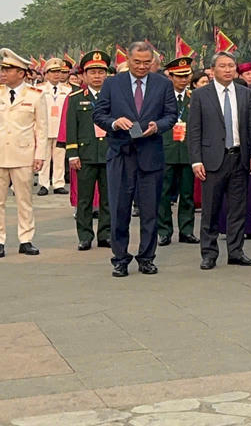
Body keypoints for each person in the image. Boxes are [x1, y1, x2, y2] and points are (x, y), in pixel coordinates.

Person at [92, 42, 178, 276]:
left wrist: (157, 126)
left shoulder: (163, 84)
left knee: (150, 211)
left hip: (151, 154)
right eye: (137, 62)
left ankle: (147, 257)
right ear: (127, 60)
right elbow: (99, 114)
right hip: (121, 154)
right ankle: (120, 258)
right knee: (119, 210)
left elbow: (172, 114)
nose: (141, 67)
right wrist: (114, 122)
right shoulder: (112, 84)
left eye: (146, 63)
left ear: (153, 62)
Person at [188, 52, 251, 269]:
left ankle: (236, 251)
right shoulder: (201, 95)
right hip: (212, 160)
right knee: (210, 209)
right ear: (212, 71)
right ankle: (209, 253)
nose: (228, 69)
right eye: (223, 66)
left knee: (238, 208)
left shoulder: (245, 94)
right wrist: (196, 160)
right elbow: (194, 131)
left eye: (231, 65)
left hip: (239, 158)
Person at [0, 49, 48, 258]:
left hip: (23, 155)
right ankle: (0, 240)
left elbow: (42, 128)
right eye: (2, 69)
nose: (3, 73)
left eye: (7, 69)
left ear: (20, 73)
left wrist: (40, 155)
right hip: (1, 153)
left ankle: (26, 239)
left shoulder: (35, 95)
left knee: (24, 200)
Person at [63, 51, 112, 250]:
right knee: (84, 199)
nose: (97, 76)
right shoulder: (75, 98)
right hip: (85, 155)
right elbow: (71, 128)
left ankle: (105, 235)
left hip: (109, 153)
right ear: (84, 75)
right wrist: (72, 154)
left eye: (101, 72)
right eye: (92, 72)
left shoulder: (114, 97)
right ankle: (84, 236)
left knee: (108, 199)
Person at [158, 56, 197, 246]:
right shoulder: (160, 98)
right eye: (179, 76)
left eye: (186, 76)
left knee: (187, 194)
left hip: (189, 151)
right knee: (164, 193)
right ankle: (164, 231)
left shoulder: (195, 97)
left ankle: (187, 230)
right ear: (170, 76)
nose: (183, 80)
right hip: (166, 151)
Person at [38, 57, 72, 196]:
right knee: (44, 158)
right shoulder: (38, 89)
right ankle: (43, 184)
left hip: (60, 128)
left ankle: (58, 183)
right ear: (46, 74)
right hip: (44, 128)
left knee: (59, 159)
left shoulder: (68, 89)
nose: (56, 74)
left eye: (59, 71)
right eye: (52, 71)